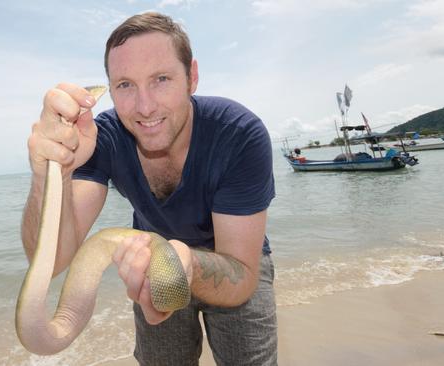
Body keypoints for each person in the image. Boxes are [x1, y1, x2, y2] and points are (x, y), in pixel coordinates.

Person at [23, 12, 276, 366]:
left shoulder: (239, 134)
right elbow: (50, 261)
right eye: (125, 85)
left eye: (161, 79)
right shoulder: (101, 137)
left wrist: (185, 262)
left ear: (192, 77)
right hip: (154, 268)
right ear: (109, 90)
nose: (144, 107)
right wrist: (52, 171)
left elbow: (243, 276)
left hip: (232, 263)